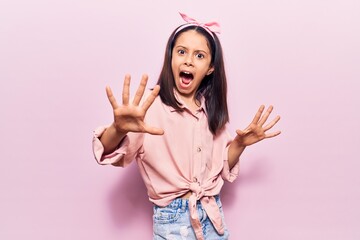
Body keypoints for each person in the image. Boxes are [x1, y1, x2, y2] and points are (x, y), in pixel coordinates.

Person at [92, 12, 281, 240]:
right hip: (172, 223)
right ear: (171, 57)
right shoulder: (149, 111)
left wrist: (239, 144)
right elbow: (109, 151)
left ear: (210, 68)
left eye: (199, 55)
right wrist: (119, 129)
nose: (189, 60)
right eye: (181, 52)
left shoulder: (209, 112)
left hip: (213, 218)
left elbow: (220, 167)